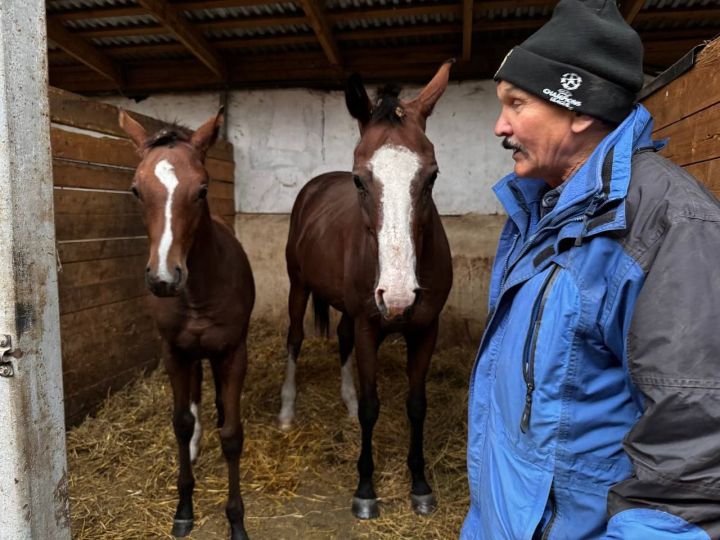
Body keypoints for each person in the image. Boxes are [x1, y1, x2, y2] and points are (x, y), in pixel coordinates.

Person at [462, 0, 720, 538]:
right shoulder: (545, 208)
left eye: (516, 104)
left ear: (579, 110)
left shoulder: (669, 223)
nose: (498, 125)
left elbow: (690, 450)